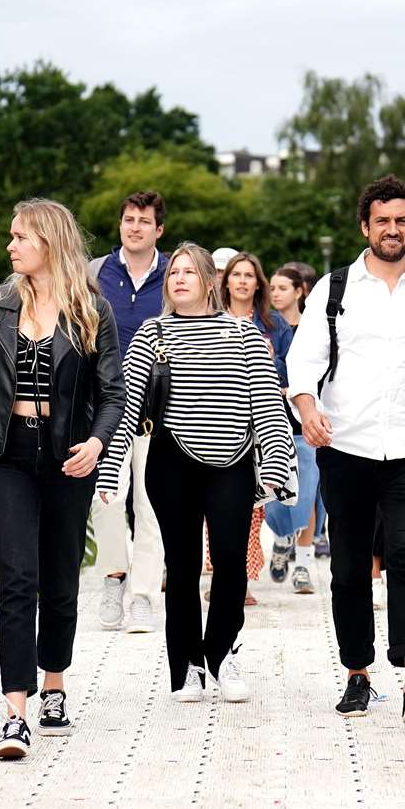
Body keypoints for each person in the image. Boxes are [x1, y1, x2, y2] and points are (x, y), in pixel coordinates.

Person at [286, 176, 405, 726]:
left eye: (402, 221)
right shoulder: (334, 290)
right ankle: (357, 675)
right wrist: (307, 409)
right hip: (346, 446)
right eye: (382, 221)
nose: (393, 230)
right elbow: (303, 361)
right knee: (350, 569)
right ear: (365, 226)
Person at [0, 200, 125, 757]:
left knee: (60, 578)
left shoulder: (91, 309)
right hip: (7, 454)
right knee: (18, 579)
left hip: (69, 454)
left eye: (19, 236)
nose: (11, 246)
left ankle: (55, 683)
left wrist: (97, 444)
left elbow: (112, 393)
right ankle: (15, 711)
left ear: (48, 241)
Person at [96, 243, 292, 703]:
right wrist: (109, 470)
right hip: (171, 465)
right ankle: (186, 666)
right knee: (181, 568)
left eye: (189, 272)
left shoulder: (244, 334)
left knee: (229, 563)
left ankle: (222, 656)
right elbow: (127, 411)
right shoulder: (152, 334)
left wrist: (277, 464)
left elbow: (267, 407)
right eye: (173, 273)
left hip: (231, 465)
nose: (178, 278)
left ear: (209, 282)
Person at [87, 191, 170, 633]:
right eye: (128, 219)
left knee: (152, 502)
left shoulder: (175, 273)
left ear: (159, 229)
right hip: (106, 405)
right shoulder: (96, 272)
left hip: (160, 410)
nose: (134, 226)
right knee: (107, 499)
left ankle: (143, 594)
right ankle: (114, 578)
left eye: (144, 221)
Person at [220, 251, 294, 601]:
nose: (243, 281)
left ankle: (243, 580)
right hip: (216, 424)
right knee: (215, 507)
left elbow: (290, 376)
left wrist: (269, 358)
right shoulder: (210, 318)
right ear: (227, 281)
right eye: (237, 275)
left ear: (258, 283)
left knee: (250, 505)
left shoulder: (274, 324)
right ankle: (222, 573)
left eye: (250, 275)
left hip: (258, 426)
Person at [266, 265, 320, 594]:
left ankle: (302, 563)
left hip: (304, 424)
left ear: (300, 291)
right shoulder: (267, 327)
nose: (275, 293)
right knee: (275, 495)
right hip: (273, 423)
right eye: (271, 287)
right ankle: (282, 538)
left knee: (309, 496)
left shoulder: (313, 330)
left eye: (283, 287)